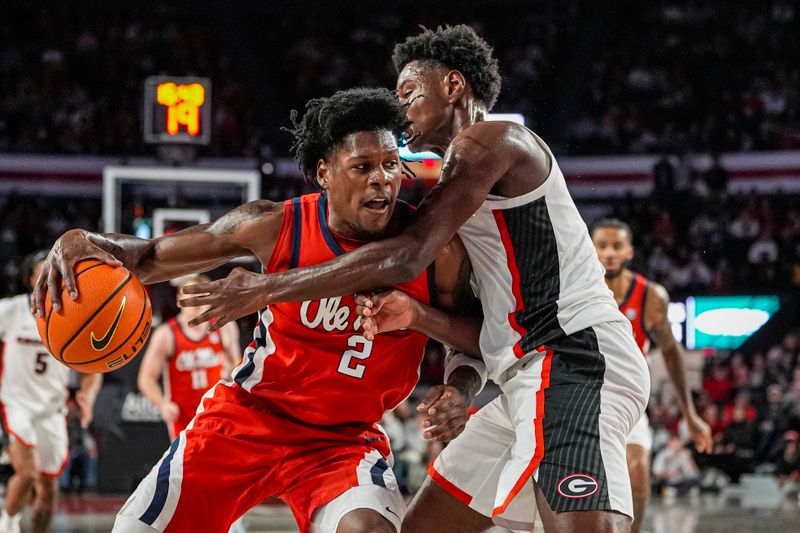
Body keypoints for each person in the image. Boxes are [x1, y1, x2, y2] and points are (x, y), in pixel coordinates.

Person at [170, 25, 651, 533]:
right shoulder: (456, 180)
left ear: (453, 85)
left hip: (572, 354)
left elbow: (405, 257)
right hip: (520, 372)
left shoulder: (489, 142)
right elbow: (473, 320)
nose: (401, 110)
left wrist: (267, 287)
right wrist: (445, 358)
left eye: (409, 93)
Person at [34, 88, 484, 533]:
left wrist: (461, 388)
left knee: (367, 530)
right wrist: (85, 241)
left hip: (344, 440)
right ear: (324, 172)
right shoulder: (274, 225)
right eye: (362, 166)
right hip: (248, 416)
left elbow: (475, 340)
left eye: (390, 164)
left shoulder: (432, 251)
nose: (381, 178)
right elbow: (149, 256)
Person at [591, 218, 712, 533]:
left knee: (638, 472)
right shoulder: (575, 287)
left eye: (616, 246)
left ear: (629, 250)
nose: (609, 253)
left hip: (627, 402)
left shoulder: (650, 296)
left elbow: (671, 353)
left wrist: (690, 413)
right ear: (590, 248)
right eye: (602, 245)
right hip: (582, 398)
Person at [0, 251, 101, 533]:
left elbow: (94, 367)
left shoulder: (74, 315)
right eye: (42, 271)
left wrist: (87, 396)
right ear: (30, 278)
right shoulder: (12, 310)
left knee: (48, 491)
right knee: (27, 473)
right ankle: (7, 523)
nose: (48, 277)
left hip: (53, 410)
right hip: (16, 404)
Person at [137, 274, 241, 441]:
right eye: (191, 296)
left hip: (220, 414)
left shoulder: (225, 327)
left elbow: (237, 366)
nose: (196, 303)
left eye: (202, 297)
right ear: (180, 297)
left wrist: (232, 370)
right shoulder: (166, 334)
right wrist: (162, 404)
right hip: (184, 420)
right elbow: (145, 378)